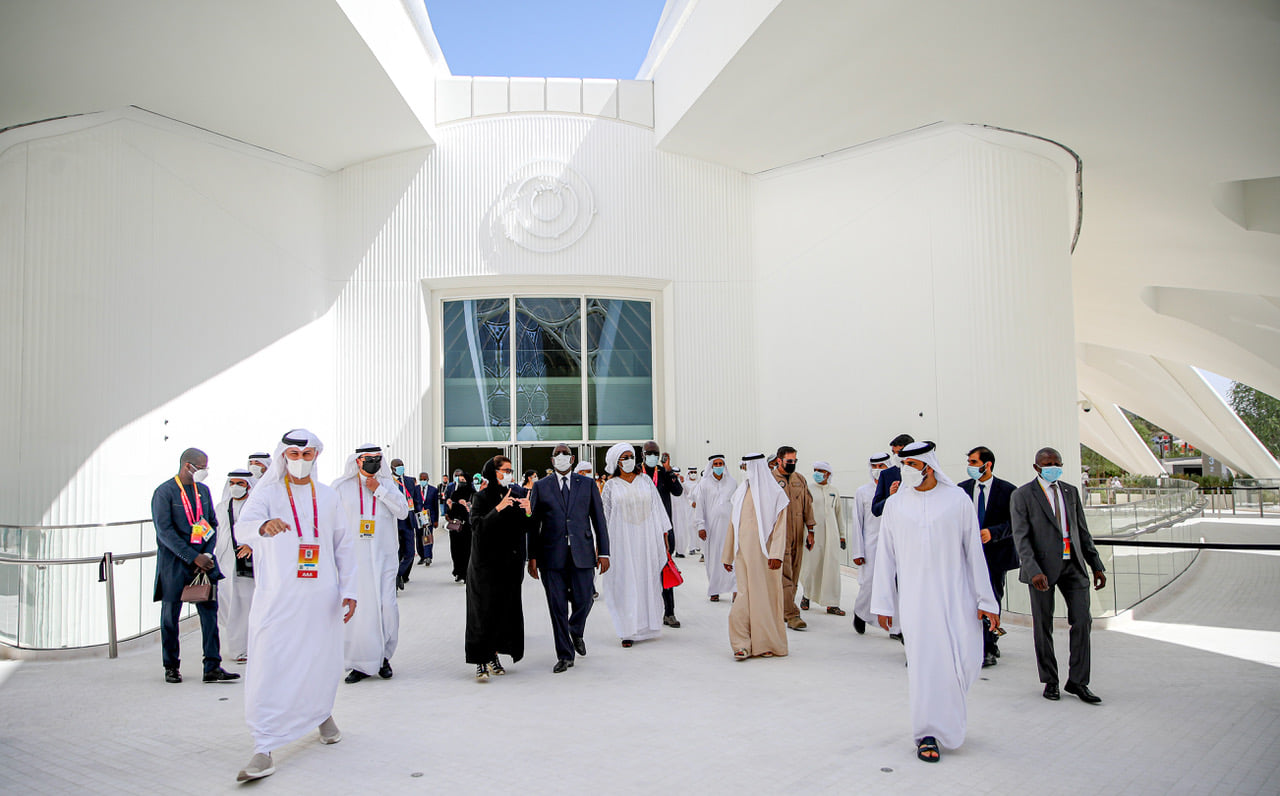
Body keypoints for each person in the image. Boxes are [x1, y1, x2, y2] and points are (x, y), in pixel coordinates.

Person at [233, 429, 357, 782]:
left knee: (320, 660)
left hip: (322, 598)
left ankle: (321, 714)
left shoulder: (328, 496)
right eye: (294, 455)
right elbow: (243, 529)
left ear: (316, 457)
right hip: (279, 598)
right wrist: (263, 526)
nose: (300, 462)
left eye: (307, 455)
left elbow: (343, 545)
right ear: (282, 456)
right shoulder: (267, 493)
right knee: (270, 664)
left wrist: (350, 589)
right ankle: (264, 744)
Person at [870, 441, 1000, 763]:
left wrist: (986, 599)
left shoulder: (957, 500)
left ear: (928, 466)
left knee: (964, 659)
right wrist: (884, 603)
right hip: (916, 601)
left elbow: (973, 552)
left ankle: (948, 719)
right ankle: (927, 732)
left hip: (957, 596)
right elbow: (885, 556)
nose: (906, 472)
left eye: (912, 465)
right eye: (904, 466)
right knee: (925, 665)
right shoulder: (896, 506)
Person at [1010, 447, 1107, 704]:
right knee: (1043, 626)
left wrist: (1095, 564)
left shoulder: (1070, 492)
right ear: (1036, 467)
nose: (1052, 466)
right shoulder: (1022, 495)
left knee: (1082, 621)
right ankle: (1050, 680)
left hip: (1072, 565)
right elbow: (1021, 538)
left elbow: (1082, 532)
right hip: (1041, 570)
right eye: (1047, 463)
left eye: (1056, 463)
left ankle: (1078, 681)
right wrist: (1033, 571)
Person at [150, 447, 238, 685]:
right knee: (171, 616)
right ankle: (171, 666)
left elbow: (211, 523)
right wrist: (192, 557)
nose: (204, 471)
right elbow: (165, 532)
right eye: (201, 467)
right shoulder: (164, 492)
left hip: (203, 563)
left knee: (209, 614)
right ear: (187, 465)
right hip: (175, 564)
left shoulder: (204, 491)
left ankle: (212, 666)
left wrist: (206, 554)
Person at [528, 442, 610, 672]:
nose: (562, 456)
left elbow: (599, 519)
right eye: (557, 454)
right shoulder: (541, 486)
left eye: (566, 453)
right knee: (557, 607)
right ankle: (565, 655)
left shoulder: (587, 484)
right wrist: (531, 556)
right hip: (551, 556)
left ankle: (575, 629)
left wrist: (604, 551)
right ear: (552, 460)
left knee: (585, 599)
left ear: (572, 459)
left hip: (582, 553)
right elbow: (534, 525)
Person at [331, 444, 408, 683]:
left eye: (377, 458)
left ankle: (383, 657)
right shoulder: (341, 487)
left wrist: (379, 491)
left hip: (384, 557)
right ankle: (359, 663)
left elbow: (403, 512)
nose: (373, 462)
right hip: (355, 559)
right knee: (360, 611)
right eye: (368, 459)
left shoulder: (387, 484)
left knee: (387, 607)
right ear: (357, 461)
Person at [466, 456, 531, 681]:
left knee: (502, 612)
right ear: (493, 473)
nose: (509, 474)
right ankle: (480, 661)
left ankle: (494, 654)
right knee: (482, 612)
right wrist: (498, 509)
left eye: (511, 470)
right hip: (484, 566)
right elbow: (477, 526)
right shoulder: (481, 497)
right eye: (505, 470)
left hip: (507, 566)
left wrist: (529, 511)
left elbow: (524, 527)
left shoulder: (515, 494)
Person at [600, 443, 670, 647]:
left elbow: (657, 508)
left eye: (631, 456)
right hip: (622, 542)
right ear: (616, 462)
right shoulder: (611, 486)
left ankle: (647, 626)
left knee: (646, 580)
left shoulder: (645, 481)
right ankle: (627, 630)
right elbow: (605, 517)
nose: (630, 460)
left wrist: (664, 536)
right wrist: (603, 547)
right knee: (625, 583)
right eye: (625, 457)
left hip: (646, 540)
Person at [957, 446, 1019, 667]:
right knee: (968, 599)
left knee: (991, 598)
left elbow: (1016, 523)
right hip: (966, 556)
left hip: (995, 555)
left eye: (973, 462)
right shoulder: (961, 490)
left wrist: (993, 533)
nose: (970, 467)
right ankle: (972, 642)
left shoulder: (1008, 491)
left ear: (988, 464)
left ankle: (989, 646)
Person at [723, 453, 789, 659]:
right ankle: (741, 644)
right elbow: (733, 524)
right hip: (743, 554)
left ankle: (767, 643)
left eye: (746, 466)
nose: (744, 470)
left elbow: (780, 528)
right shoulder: (741, 491)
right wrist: (727, 555)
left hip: (766, 557)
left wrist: (777, 554)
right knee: (742, 598)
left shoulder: (775, 493)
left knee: (765, 600)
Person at [639, 440, 684, 628]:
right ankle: (644, 614)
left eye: (655, 454)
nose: (652, 457)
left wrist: (669, 471)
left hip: (664, 531)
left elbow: (678, 492)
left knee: (665, 570)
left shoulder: (664, 474)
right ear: (642, 455)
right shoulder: (635, 473)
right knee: (643, 573)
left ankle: (669, 613)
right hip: (641, 530)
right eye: (649, 453)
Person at [214, 468, 256, 664]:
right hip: (226, 564)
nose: (235, 487)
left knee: (248, 607)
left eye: (240, 483)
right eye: (232, 483)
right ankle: (237, 648)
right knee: (230, 609)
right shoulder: (221, 508)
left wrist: (252, 546)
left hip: (250, 566)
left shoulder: (255, 507)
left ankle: (249, 647)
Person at [850, 452, 894, 636]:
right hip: (871, 546)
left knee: (893, 585)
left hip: (892, 545)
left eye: (882, 467)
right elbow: (857, 522)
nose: (878, 471)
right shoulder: (863, 491)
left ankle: (896, 627)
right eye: (874, 467)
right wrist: (858, 552)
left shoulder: (896, 489)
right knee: (868, 584)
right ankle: (860, 614)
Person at [772, 445, 815, 630]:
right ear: (779, 461)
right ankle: (791, 614)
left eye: (794, 461)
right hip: (780, 533)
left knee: (795, 571)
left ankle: (785, 606)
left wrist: (811, 530)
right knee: (785, 573)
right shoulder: (770, 480)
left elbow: (808, 505)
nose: (792, 464)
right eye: (789, 461)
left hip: (798, 532)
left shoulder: (800, 480)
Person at [800, 461, 846, 615]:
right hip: (813, 534)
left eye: (820, 470)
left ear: (828, 473)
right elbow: (804, 512)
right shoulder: (808, 490)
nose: (817, 473)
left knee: (831, 569)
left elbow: (839, 514)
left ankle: (832, 603)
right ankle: (806, 596)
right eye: (815, 470)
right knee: (811, 566)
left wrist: (842, 536)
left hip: (831, 536)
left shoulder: (834, 491)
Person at [694, 454, 737, 601]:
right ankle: (714, 590)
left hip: (729, 528)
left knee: (731, 558)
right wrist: (700, 525)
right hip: (711, 528)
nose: (719, 467)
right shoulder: (704, 484)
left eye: (721, 464)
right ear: (711, 466)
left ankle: (734, 589)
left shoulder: (732, 482)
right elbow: (700, 505)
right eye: (716, 464)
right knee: (713, 559)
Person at [389, 458, 422, 589]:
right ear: (392, 468)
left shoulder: (409, 481)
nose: (400, 467)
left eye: (402, 465)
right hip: (394, 522)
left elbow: (417, 500)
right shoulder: (388, 482)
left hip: (408, 521)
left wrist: (421, 519)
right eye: (398, 466)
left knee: (409, 553)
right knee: (396, 553)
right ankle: (395, 581)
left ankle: (397, 575)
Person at [871, 433, 916, 518]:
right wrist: (890, 496)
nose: (896, 456)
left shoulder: (921, 473)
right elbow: (875, 509)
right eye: (894, 453)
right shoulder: (887, 475)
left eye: (899, 452)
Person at [445, 469, 475, 583]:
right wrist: (450, 506)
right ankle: (458, 572)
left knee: (466, 550)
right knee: (456, 550)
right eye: (460, 480)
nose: (461, 482)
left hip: (467, 528)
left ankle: (466, 573)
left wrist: (467, 506)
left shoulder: (473, 494)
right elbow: (450, 513)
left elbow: (475, 511)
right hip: (456, 528)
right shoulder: (455, 493)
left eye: (463, 480)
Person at [671, 468, 696, 559]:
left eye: (677, 474)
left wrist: (683, 482)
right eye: (674, 474)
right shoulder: (668, 482)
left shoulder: (682, 484)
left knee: (681, 531)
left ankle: (680, 550)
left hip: (681, 511)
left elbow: (690, 493)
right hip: (671, 510)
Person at [416, 472, 439, 565]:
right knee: (419, 537)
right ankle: (422, 556)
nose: (423, 481)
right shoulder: (416, 489)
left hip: (429, 516)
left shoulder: (433, 490)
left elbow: (435, 506)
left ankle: (428, 556)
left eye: (424, 479)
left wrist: (436, 520)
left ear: (428, 479)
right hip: (419, 516)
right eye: (421, 479)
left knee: (428, 536)